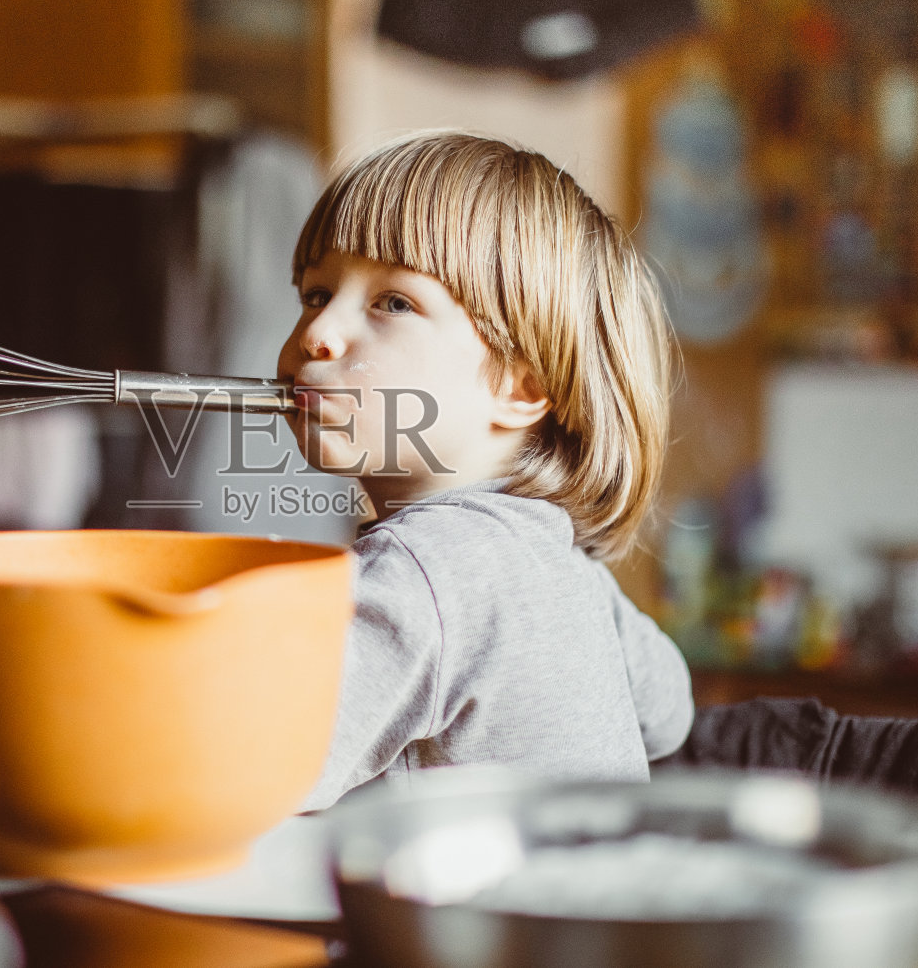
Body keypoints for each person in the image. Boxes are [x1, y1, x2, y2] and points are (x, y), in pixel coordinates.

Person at [281, 131, 693, 811]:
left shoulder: (432, 566)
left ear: (520, 387)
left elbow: (260, 764)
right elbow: (668, 706)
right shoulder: (557, 559)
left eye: (392, 303)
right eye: (317, 292)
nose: (316, 334)